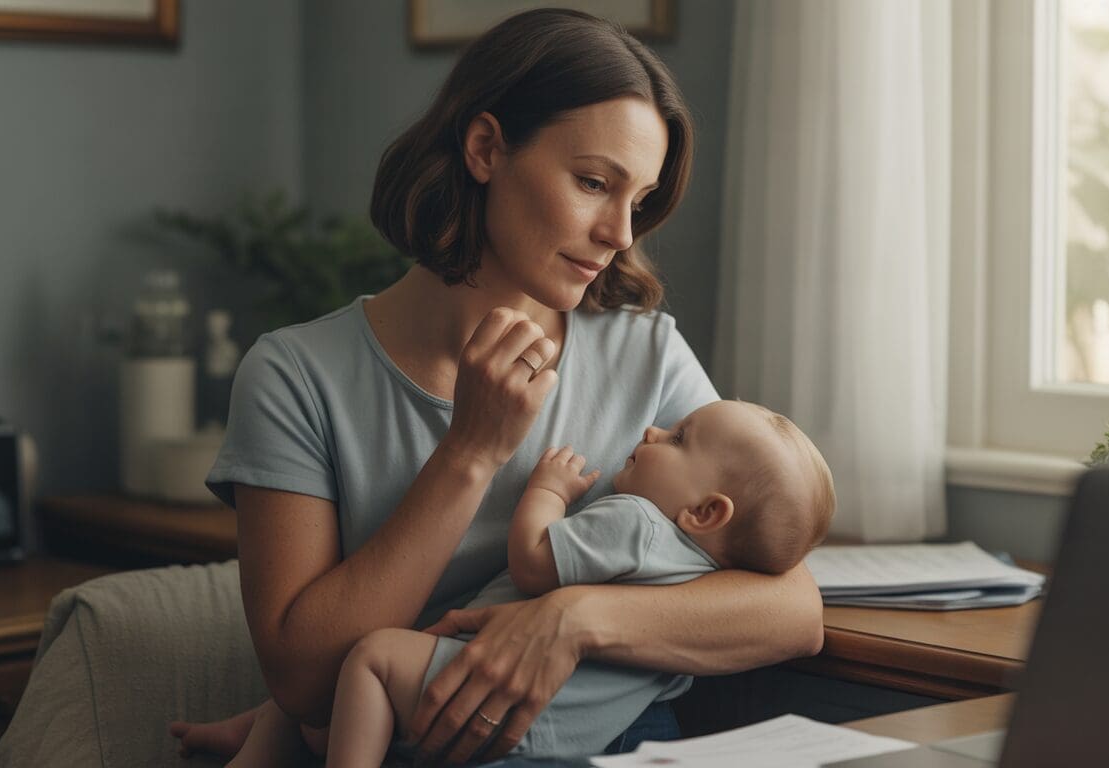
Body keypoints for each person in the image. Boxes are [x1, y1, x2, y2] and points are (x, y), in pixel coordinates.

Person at [170, 8, 826, 767]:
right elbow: (308, 680)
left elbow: (790, 609)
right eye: (592, 183)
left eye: (637, 201)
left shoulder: (644, 353)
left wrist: (572, 618)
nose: (619, 232)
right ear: (486, 149)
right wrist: (472, 451)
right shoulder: (295, 377)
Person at [322, 399, 834, 766]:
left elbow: (532, 561)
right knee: (318, 716)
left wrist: (548, 492)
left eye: (678, 438)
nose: (653, 431)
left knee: (368, 659)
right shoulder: (706, 580)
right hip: (572, 732)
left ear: (703, 512)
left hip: (491, 694)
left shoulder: (638, 522)